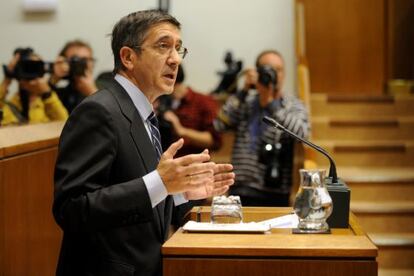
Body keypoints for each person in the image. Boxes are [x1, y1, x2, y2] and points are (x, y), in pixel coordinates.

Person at [53, 9, 235, 276]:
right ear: (128, 57)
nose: (175, 60)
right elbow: (72, 208)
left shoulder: (146, 115)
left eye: (178, 49)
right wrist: (161, 183)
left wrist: (182, 191)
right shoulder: (99, 111)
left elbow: (137, 192)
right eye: (163, 47)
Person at [214, 49, 309, 207]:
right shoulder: (245, 100)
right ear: (257, 72)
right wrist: (244, 91)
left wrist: (270, 104)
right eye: (268, 69)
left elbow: (302, 134)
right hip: (241, 188)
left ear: (284, 74)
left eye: (278, 70)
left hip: (276, 191)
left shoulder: (293, 105)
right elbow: (220, 124)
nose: (274, 74)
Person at [158, 64, 222, 156]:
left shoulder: (204, 102)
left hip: (193, 165)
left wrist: (181, 130)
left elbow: (215, 141)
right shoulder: (160, 101)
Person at [0, 48, 68, 126]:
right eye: (27, 67)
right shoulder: (8, 106)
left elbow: (64, 125)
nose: (31, 72)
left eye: (36, 67)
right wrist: (7, 78)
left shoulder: (48, 105)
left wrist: (46, 93)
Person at [49, 39, 98, 113]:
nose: (83, 64)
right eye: (76, 60)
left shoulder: (107, 87)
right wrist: (53, 79)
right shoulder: (59, 93)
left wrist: (92, 92)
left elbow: (114, 116)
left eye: (86, 60)